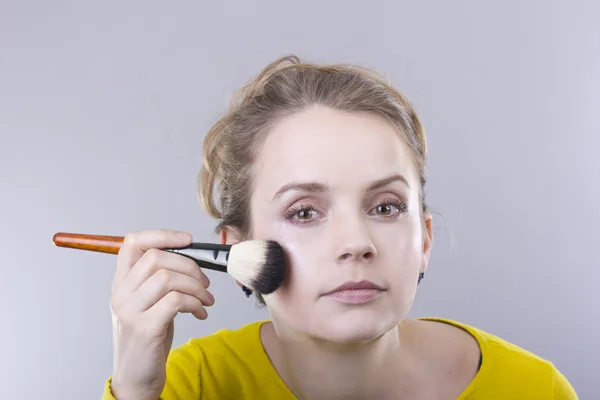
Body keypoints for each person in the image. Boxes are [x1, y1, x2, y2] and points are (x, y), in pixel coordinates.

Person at [102, 55, 578, 399]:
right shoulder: (191, 385)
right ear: (236, 253)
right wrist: (134, 389)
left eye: (386, 207)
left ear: (425, 240)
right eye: (304, 212)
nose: (356, 244)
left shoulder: (533, 389)